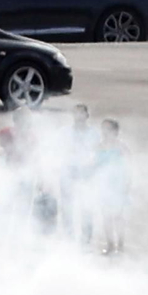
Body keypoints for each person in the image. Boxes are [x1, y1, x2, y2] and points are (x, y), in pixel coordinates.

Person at [94, 119, 130, 255]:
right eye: (103, 129)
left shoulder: (122, 147)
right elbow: (95, 165)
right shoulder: (98, 147)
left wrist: (127, 184)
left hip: (118, 185)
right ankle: (110, 245)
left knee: (118, 216)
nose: (104, 132)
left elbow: (129, 167)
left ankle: (120, 246)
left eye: (108, 129)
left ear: (115, 132)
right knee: (106, 216)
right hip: (103, 185)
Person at [63, 104, 97, 246]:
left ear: (87, 116)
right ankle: (68, 236)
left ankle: (86, 238)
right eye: (76, 113)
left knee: (87, 206)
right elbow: (56, 150)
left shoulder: (94, 134)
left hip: (87, 172)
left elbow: (98, 153)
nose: (78, 116)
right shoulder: (64, 132)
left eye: (81, 113)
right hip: (69, 171)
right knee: (67, 206)